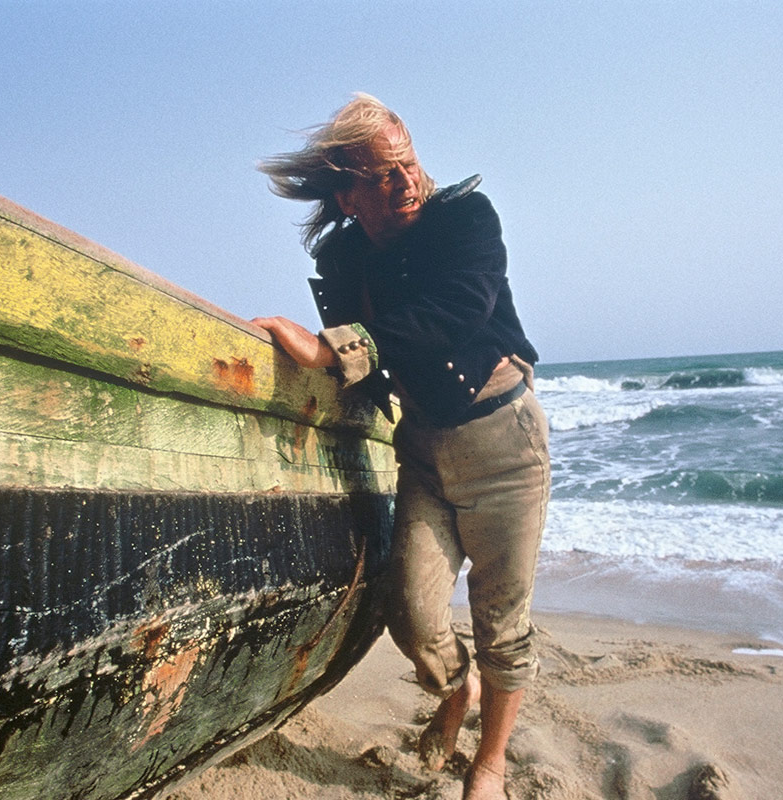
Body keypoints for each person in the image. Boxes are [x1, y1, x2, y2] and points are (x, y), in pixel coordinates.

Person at [252, 94, 550, 800]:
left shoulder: (466, 220)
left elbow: (456, 311)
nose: (407, 182)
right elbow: (368, 370)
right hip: (419, 446)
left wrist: (329, 351)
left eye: (409, 163)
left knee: (501, 624)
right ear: (347, 193)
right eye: (384, 175)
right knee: (412, 620)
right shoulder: (343, 255)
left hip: (503, 442)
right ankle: (456, 693)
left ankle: (489, 765)